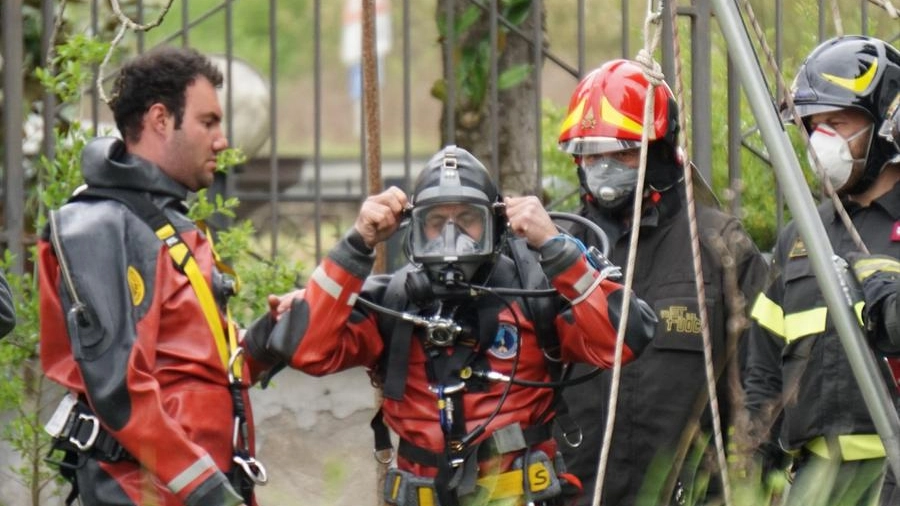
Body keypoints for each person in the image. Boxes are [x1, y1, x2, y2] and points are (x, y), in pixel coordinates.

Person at [242, 144, 658, 506]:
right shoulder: (393, 305)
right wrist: (357, 243)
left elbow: (621, 341)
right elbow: (308, 349)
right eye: (437, 222)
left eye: (468, 220)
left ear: (494, 227)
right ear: (415, 231)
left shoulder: (537, 297)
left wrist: (556, 249)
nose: (452, 236)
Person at [39, 47, 270, 506]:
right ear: (161, 119)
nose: (222, 140)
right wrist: (209, 493)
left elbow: (203, 362)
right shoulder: (103, 226)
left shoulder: (162, 225)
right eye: (208, 122)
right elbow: (119, 390)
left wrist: (351, 257)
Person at [553, 59, 769, 506]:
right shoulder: (557, 253)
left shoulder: (716, 246)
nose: (605, 167)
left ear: (662, 150)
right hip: (576, 493)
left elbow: (760, 383)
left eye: (623, 152)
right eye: (592, 153)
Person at [744, 35, 900, 506]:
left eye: (838, 122)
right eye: (813, 126)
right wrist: (751, 467)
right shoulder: (801, 238)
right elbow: (764, 370)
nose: (821, 141)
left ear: (888, 125)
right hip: (813, 481)